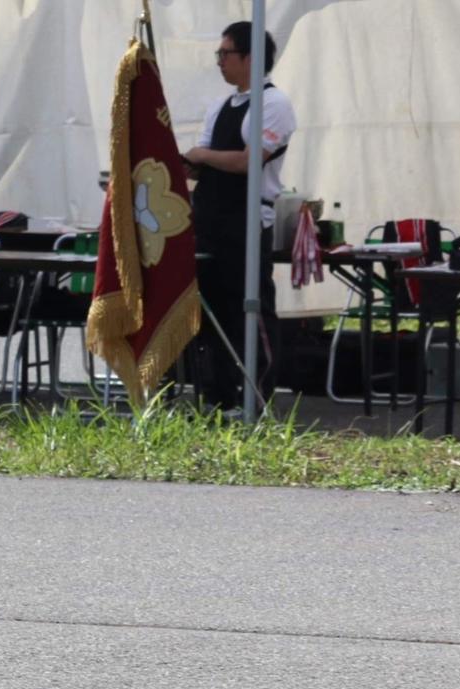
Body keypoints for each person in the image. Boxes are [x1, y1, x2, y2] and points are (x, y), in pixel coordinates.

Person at [184, 21, 296, 411]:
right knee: (211, 313)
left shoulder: (275, 105)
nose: (219, 62)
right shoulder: (219, 107)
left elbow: (249, 162)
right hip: (210, 220)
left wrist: (201, 158)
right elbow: (199, 161)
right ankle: (217, 398)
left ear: (250, 58)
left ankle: (257, 399)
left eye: (225, 54)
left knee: (250, 309)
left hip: (247, 223)